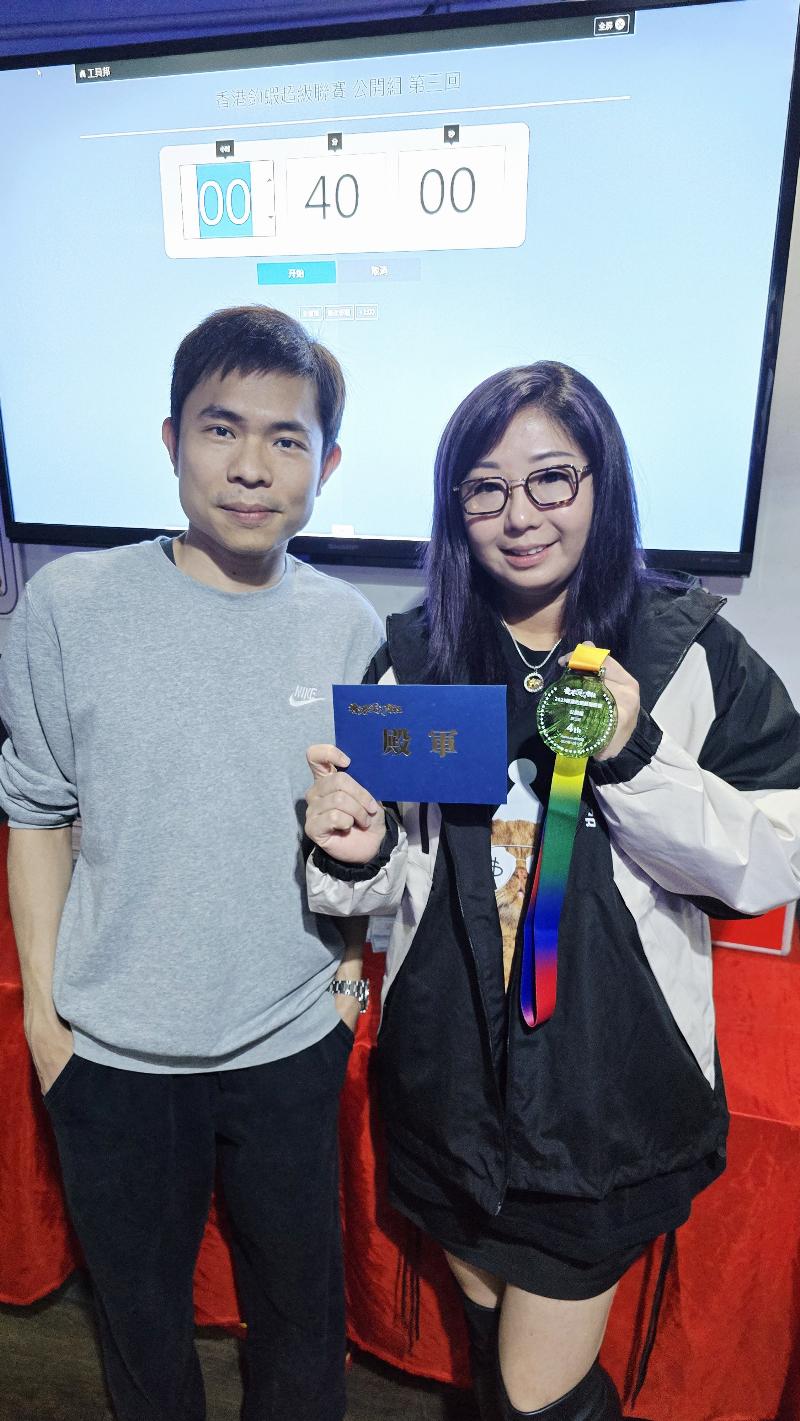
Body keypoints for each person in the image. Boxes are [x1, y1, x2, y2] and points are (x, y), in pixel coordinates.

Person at [303, 361, 800, 1420]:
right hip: (447, 1088)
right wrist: (350, 851)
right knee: (496, 1348)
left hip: (604, 1100)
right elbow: (385, 890)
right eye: (485, 487)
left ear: (600, 483)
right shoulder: (417, 657)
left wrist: (632, 754)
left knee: (534, 1392)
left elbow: (771, 860)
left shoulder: (687, 649)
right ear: (455, 506)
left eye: (550, 478)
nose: (519, 514)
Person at [0, 305, 383, 1421]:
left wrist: (346, 985)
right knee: (141, 1329)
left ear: (327, 463)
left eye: (286, 437)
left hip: (289, 1040)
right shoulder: (69, 604)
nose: (251, 466)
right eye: (222, 428)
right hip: (111, 1051)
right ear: (172, 439)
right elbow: (36, 814)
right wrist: (47, 1023)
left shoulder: (351, 625)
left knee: (303, 1330)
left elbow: (363, 831)